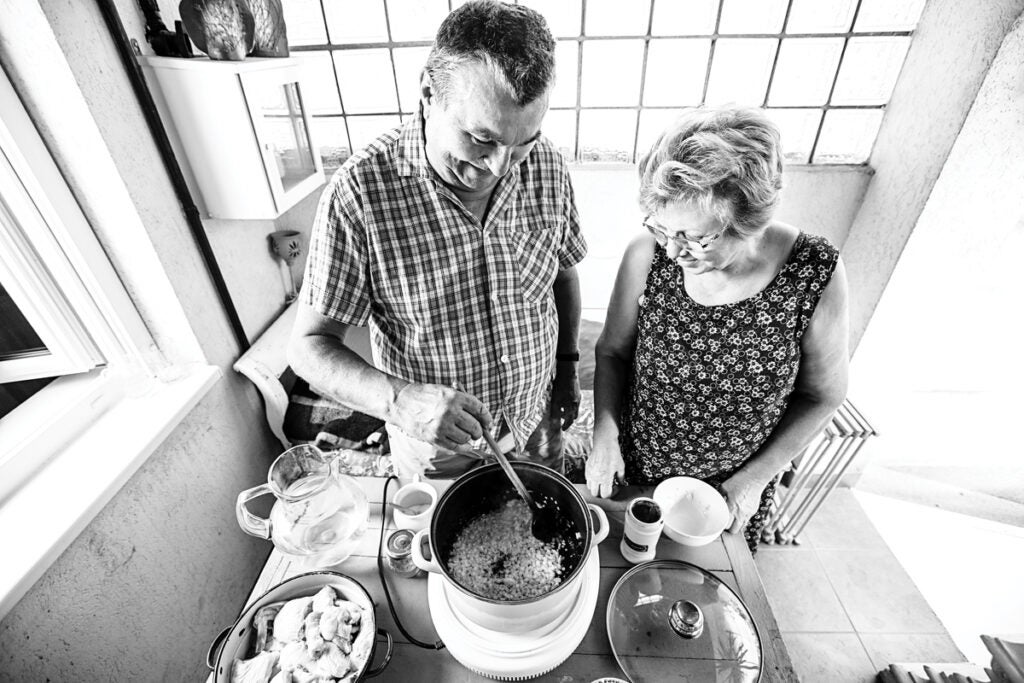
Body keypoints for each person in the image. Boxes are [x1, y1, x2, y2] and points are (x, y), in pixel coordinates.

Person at [288, 0, 587, 482]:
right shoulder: (360, 192)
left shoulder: (547, 164)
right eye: (480, 138)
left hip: (536, 417)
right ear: (429, 92)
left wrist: (568, 370)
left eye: (523, 141)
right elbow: (308, 347)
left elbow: (563, 273)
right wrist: (400, 401)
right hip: (438, 446)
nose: (500, 167)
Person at [585, 105, 849, 551]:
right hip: (636, 471)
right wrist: (604, 435)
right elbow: (612, 352)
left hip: (730, 490)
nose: (673, 251)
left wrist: (753, 480)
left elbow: (824, 396)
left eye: (696, 238)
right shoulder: (647, 254)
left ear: (748, 222)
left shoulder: (813, 273)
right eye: (662, 229)